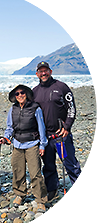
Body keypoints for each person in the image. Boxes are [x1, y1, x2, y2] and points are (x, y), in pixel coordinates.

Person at [33, 61, 81, 202]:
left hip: (61, 136)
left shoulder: (61, 87)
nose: (43, 73)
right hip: (45, 137)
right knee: (48, 166)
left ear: (51, 71)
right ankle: (52, 191)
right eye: (40, 71)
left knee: (70, 164)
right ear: (37, 74)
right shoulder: (34, 92)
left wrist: (67, 127)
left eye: (46, 70)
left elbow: (71, 108)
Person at [0, 84, 48, 212]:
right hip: (17, 144)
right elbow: (10, 127)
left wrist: (42, 144)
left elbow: (41, 127)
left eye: (22, 93)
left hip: (32, 144)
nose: (20, 95)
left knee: (35, 173)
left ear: (27, 94)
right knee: (17, 170)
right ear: (14, 96)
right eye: (17, 94)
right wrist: (5, 138)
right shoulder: (12, 109)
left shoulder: (35, 108)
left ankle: (40, 199)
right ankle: (20, 194)